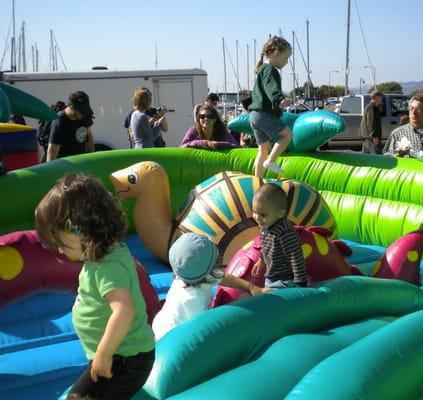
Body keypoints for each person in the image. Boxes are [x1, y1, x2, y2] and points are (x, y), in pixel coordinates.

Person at [34, 173, 155, 399]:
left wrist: (103, 354)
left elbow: (124, 310)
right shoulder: (106, 254)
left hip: (126, 359)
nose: (59, 250)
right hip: (119, 353)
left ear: (84, 231)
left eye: (61, 242)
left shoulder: (107, 267)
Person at [152, 232, 269, 341]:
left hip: (163, 322)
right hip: (169, 337)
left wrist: (250, 287)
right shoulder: (192, 299)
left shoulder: (190, 275)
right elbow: (199, 331)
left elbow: (222, 277)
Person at [248, 36, 293, 177]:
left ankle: (257, 180)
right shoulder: (270, 70)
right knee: (287, 135)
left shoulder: (261, 69)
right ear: (276, 54)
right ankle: (271, 161)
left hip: (254, 116)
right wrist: (280, 100)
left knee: (263, 149)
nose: (286, 62)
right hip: (264, 114)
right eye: (286, 58)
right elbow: (271, 88)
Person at [251, 183, 307, 289]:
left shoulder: (285, 233)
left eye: (263, 214)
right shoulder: (265, 225)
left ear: (281, 213)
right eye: (254, 212)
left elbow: (295, 257)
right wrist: (261, 260)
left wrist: (301, 284)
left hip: (286, 280)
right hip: (271, 277)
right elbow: (265, 246)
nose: (257, 217)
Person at [47, 91, 95, 162]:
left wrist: (92, 159)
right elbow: (51, 153)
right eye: (81, 111)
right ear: (72, 107)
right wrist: (50, 171)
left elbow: (89, 137)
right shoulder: (59, 122)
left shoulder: (84, 116)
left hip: (81, 163)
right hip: (64, 166)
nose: (84, 114)